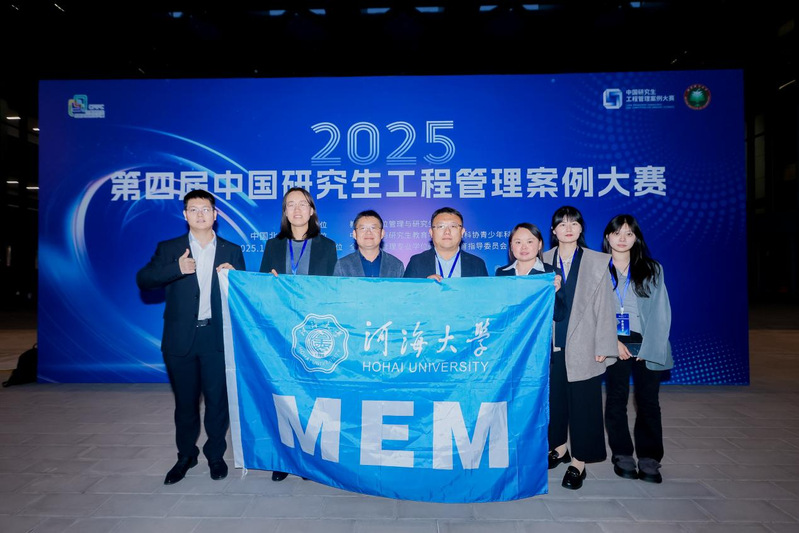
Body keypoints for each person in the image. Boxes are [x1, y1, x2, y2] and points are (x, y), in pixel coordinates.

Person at [136, 189, 245, 485]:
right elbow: (144, 280)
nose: (200, 214)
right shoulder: (170, 248)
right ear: (185, 215)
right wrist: (176, 268)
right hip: (180, 339)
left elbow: (243, 296)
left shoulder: (232, 250)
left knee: (217, 402)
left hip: (216, 337)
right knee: (185, 403)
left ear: (215, 214)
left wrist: (235, 278)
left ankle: (215, 455)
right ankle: (186, 455)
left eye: (206, 209)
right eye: (194, 209)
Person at [258, 186, 337, 481]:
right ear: (285, 212)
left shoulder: (327, 246)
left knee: (311, 394)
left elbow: (332, 291)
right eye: (290, 204)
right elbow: (261, 289)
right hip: (281, 331)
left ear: (312, 210)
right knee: (283, 392)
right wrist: (269, 283)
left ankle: (310, 455)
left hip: (314, 333)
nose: (297, 209)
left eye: (302, 204)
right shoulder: (273, 245)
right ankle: (284, 457)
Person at [541, 205, 617, 490]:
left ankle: (579, 462)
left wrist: (605, 344)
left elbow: (606, 307)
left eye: (574, 223)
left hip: (585, 343)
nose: (568, 229)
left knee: (584, 405)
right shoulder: (542, 259)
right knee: (554, 401)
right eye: (562, 224)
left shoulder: (597, 261)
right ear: (553, 230)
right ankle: (559, 448)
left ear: (581, 228)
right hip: (550, 343)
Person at [602, 214, 672, 484]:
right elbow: (593, 311)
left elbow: (661, 312)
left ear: (636, 238)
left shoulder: (652, 269)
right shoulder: (598, 268)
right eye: (617, 233)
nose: (622, 239)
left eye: (629, 234)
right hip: (613, 340)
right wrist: (611, 341)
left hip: (646, 340)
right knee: (616, 399)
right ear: (607, 236)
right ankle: (622, 454)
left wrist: (649, 346)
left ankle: (650, 457)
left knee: (648, 401)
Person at [495, 222, 565, 321]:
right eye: (518, 242)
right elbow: (497, 310)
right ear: (511, 246)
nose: (524, 247)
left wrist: (554, 293)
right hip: (510, 330)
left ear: (539, 244)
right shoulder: (502, 273)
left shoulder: (551, 273)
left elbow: (560, 316)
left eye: (529, 242)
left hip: (537, 331)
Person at [403, 207, 488, 279]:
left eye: (453, 226)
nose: (447, 231)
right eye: (441, 226)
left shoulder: (477, 264)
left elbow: (485, 293)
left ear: (462, 232)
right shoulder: (417, 262)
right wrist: (425, 287)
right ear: (431, 232)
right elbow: (406, 293)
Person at [333, 209, 405, 278]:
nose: (368, 232)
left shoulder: (396, 265)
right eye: (363, 228)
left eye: (373, 228)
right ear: (354, 234)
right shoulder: (342, 265)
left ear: (382, 233)